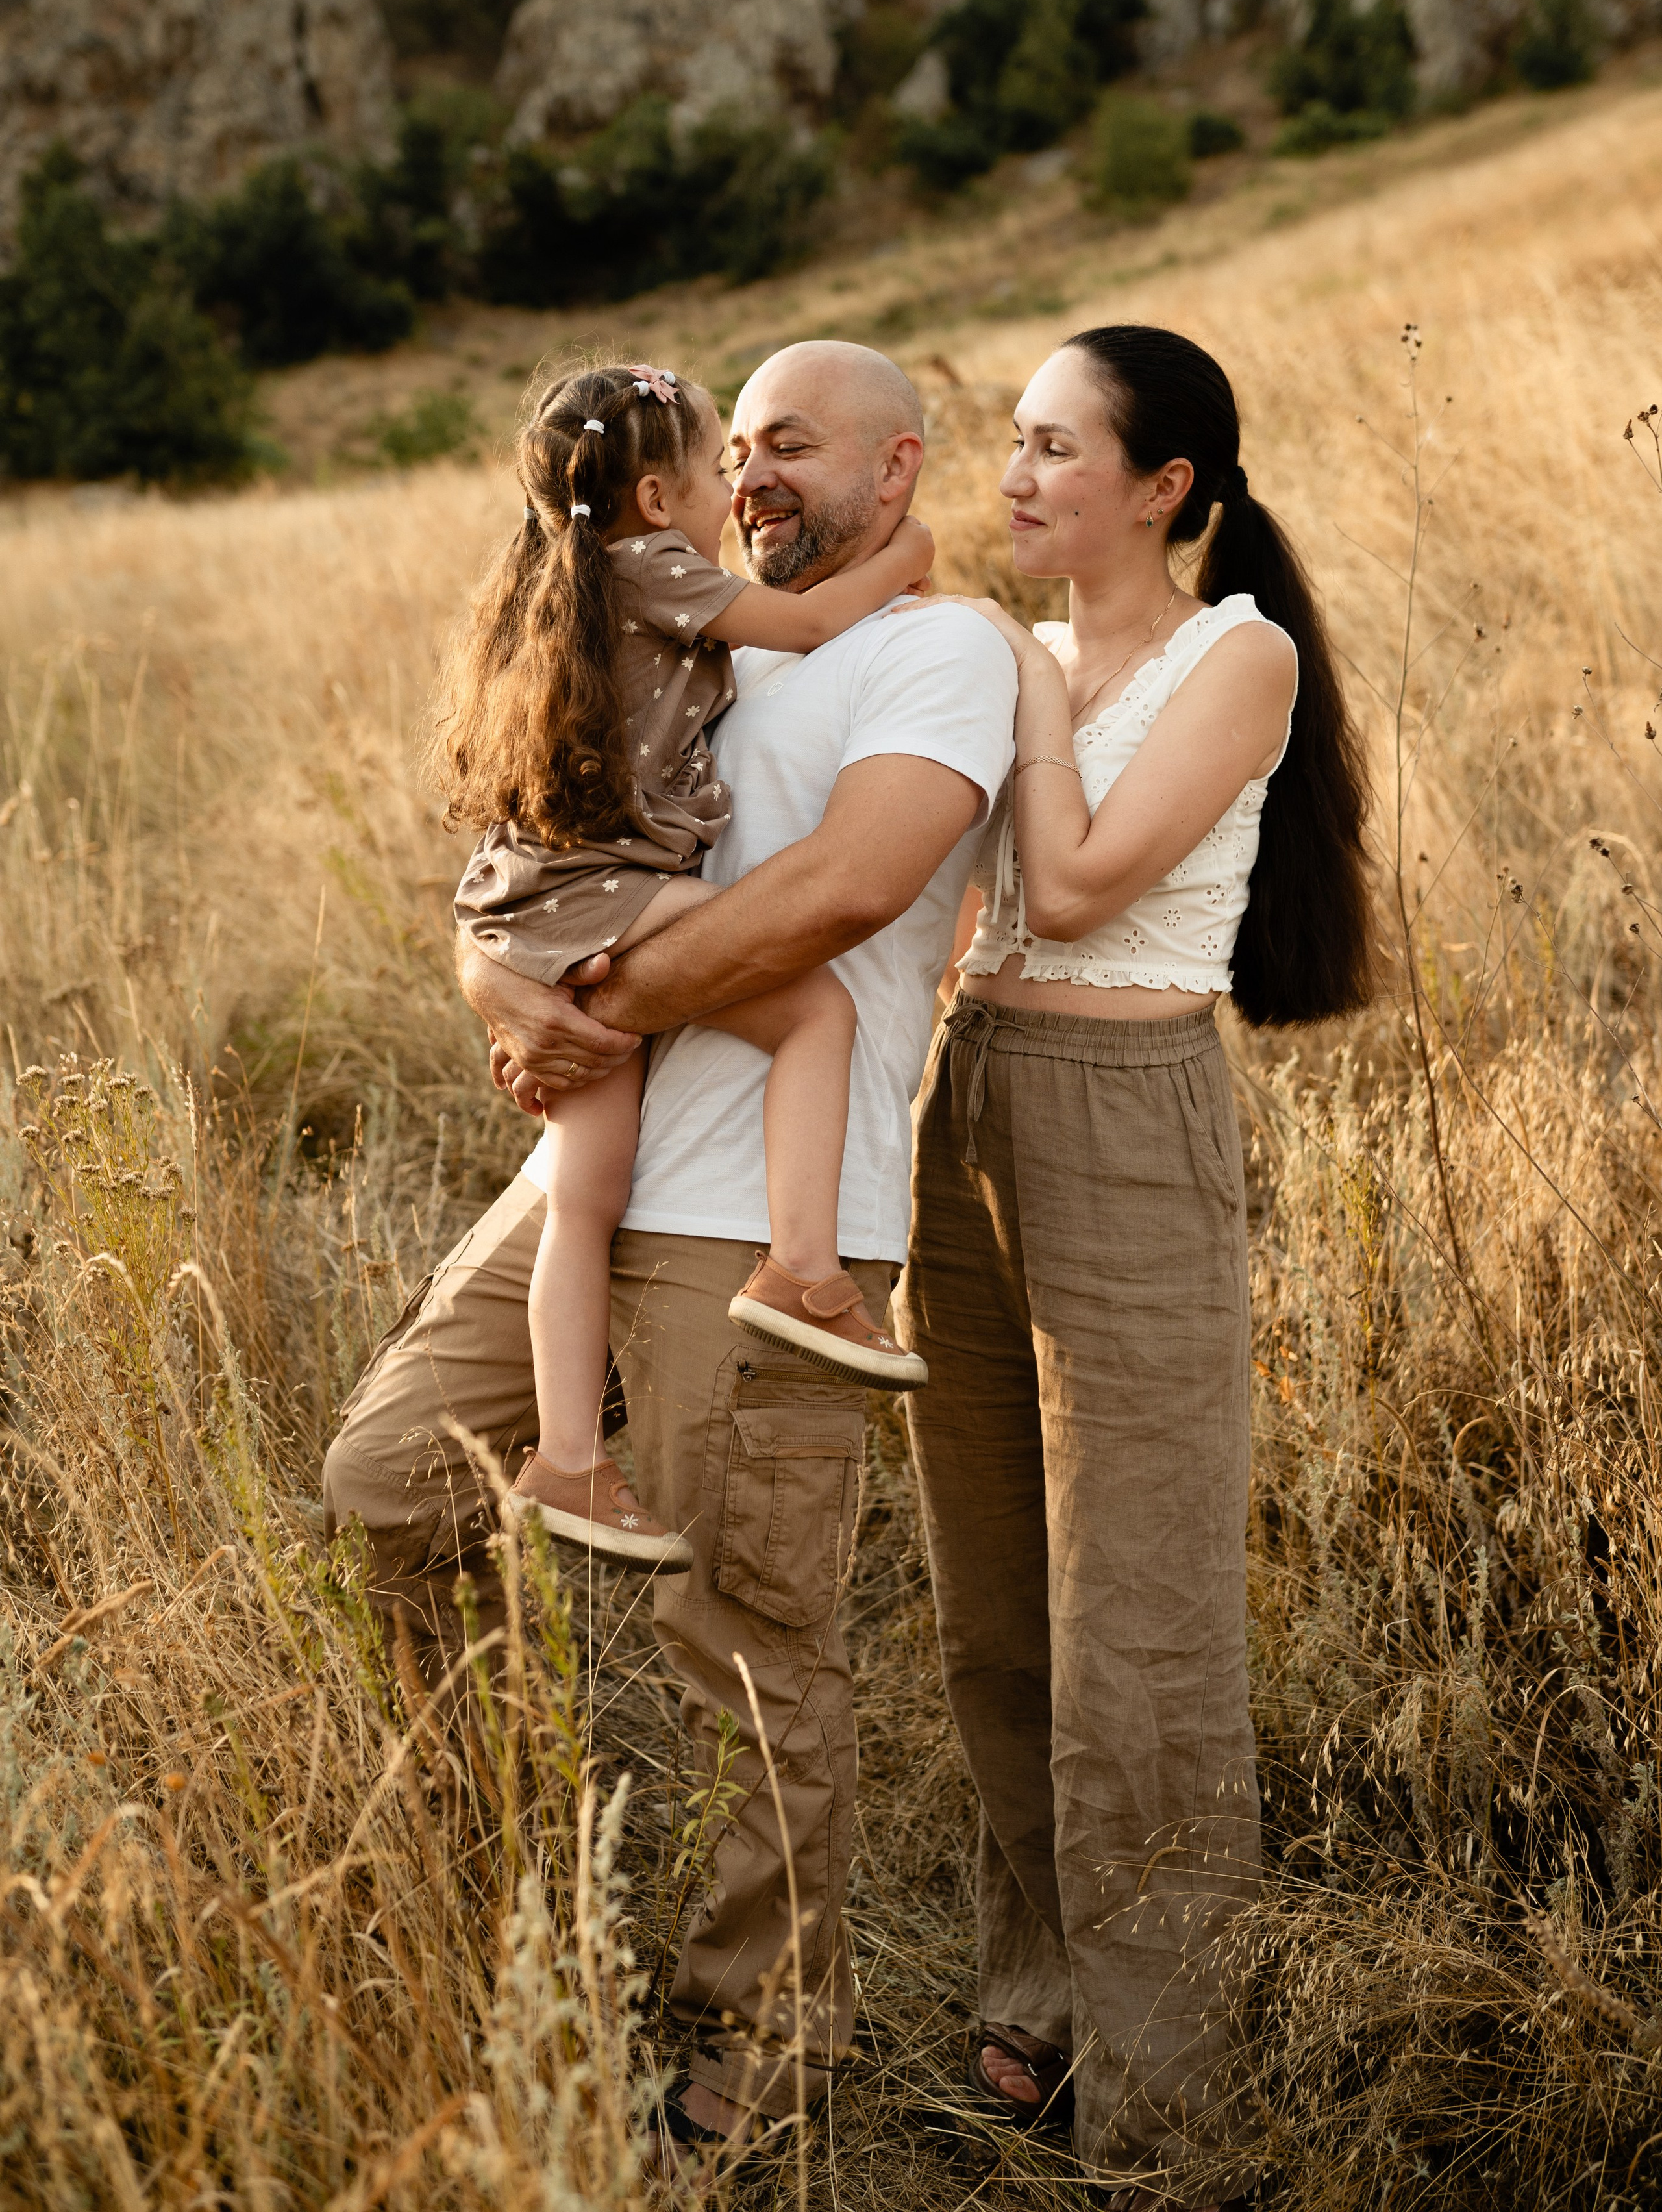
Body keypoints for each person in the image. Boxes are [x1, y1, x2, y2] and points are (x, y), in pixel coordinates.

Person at [321, 340, 1017, 2167]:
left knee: (750, 1641)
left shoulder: (932, 651)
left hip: (761, 1222)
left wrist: (598, 996)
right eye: (743, 445)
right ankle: (507, 1910)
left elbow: (850, 889)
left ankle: (765, 2046)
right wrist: (505, 984)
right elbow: (514, 845)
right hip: (579, 1178)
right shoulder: (679, 633)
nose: (759, 471)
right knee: (389, 1489)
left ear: (901, 467)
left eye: (792, 441)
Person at [897, 325, 1372, 2209]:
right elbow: (936, 911)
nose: (1012, 478)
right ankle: (1041, 1985)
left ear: (1164, 486)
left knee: (1141, 1624)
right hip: (970, 1102)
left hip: (1127, 1105)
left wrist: (1003, 675)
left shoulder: (1226, 656)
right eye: (1006, 444)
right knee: (989, 1590)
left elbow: (1079, 886)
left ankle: (1175, 2084)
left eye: (1054, 448)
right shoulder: (1011, 657)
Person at [435, 360, 929, 1575]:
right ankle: (805, 1268)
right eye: (721, 468)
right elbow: (813, 623)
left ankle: (565, 1463)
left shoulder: (559, 577)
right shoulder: (656, 571)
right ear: (657, 496)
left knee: (586, 1197)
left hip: (542, 899)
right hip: (605, 890)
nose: (737, 491)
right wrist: (911, 554)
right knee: (815, 1011)